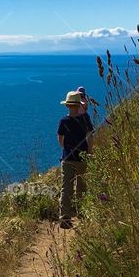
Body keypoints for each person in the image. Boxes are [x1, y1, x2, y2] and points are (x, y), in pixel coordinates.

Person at [57, 89, 94, 229]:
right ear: (79, 104)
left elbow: (60, 139)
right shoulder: (85, 119)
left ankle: (64, 218)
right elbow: (90, 136)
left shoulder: (64, 121)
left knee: (66, 187)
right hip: (82, 158)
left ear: (67, 105)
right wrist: (90, 151)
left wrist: (66, 149)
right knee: (81, 186)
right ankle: (81, 212)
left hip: (67, 158)